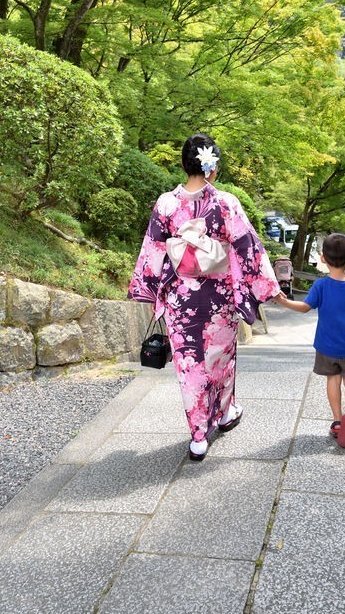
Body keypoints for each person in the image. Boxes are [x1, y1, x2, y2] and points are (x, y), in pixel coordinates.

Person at [129, 134, 281, 462]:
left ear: (186, 164)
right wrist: (267, 287)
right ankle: (224, 415)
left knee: (190, 367)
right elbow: (246, 246)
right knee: (221, 360)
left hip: (180, 300)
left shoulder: (165, 203)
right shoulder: (226, 202)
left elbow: (154, 249)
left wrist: (150, 290)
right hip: (218, 298)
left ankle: (199, 436)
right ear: (212, 168)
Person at [271, 233, 345, 449]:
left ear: (323, 259)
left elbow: (304, 308)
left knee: (333, 379)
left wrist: (283, 302)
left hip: (326, 346)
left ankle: (338, 421)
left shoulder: (321, 286)